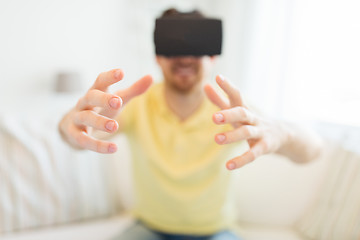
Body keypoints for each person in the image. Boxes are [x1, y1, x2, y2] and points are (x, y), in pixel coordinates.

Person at [59, 8, 323, 240]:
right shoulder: (137, 104)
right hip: (149, 228)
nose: (185, 57)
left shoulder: (233, 109)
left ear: (212, 57)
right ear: (158, 57)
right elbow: (77, 135)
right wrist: (73, 125)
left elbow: (313, 151)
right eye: (173, 47)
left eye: (196, 47)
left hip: (215, 231)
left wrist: (283, 134)